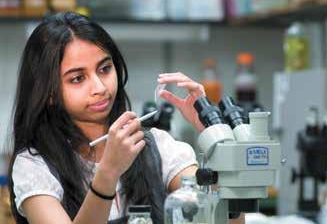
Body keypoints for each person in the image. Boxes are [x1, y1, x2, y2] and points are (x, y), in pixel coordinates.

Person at [8, 11, 244, 223]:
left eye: (104, 68)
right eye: (78, 78)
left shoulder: (158, 147)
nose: (100, 87)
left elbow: (226, 220)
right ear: (48, 93)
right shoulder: (34, 166)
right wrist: (108, 172)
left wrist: (215, 139)